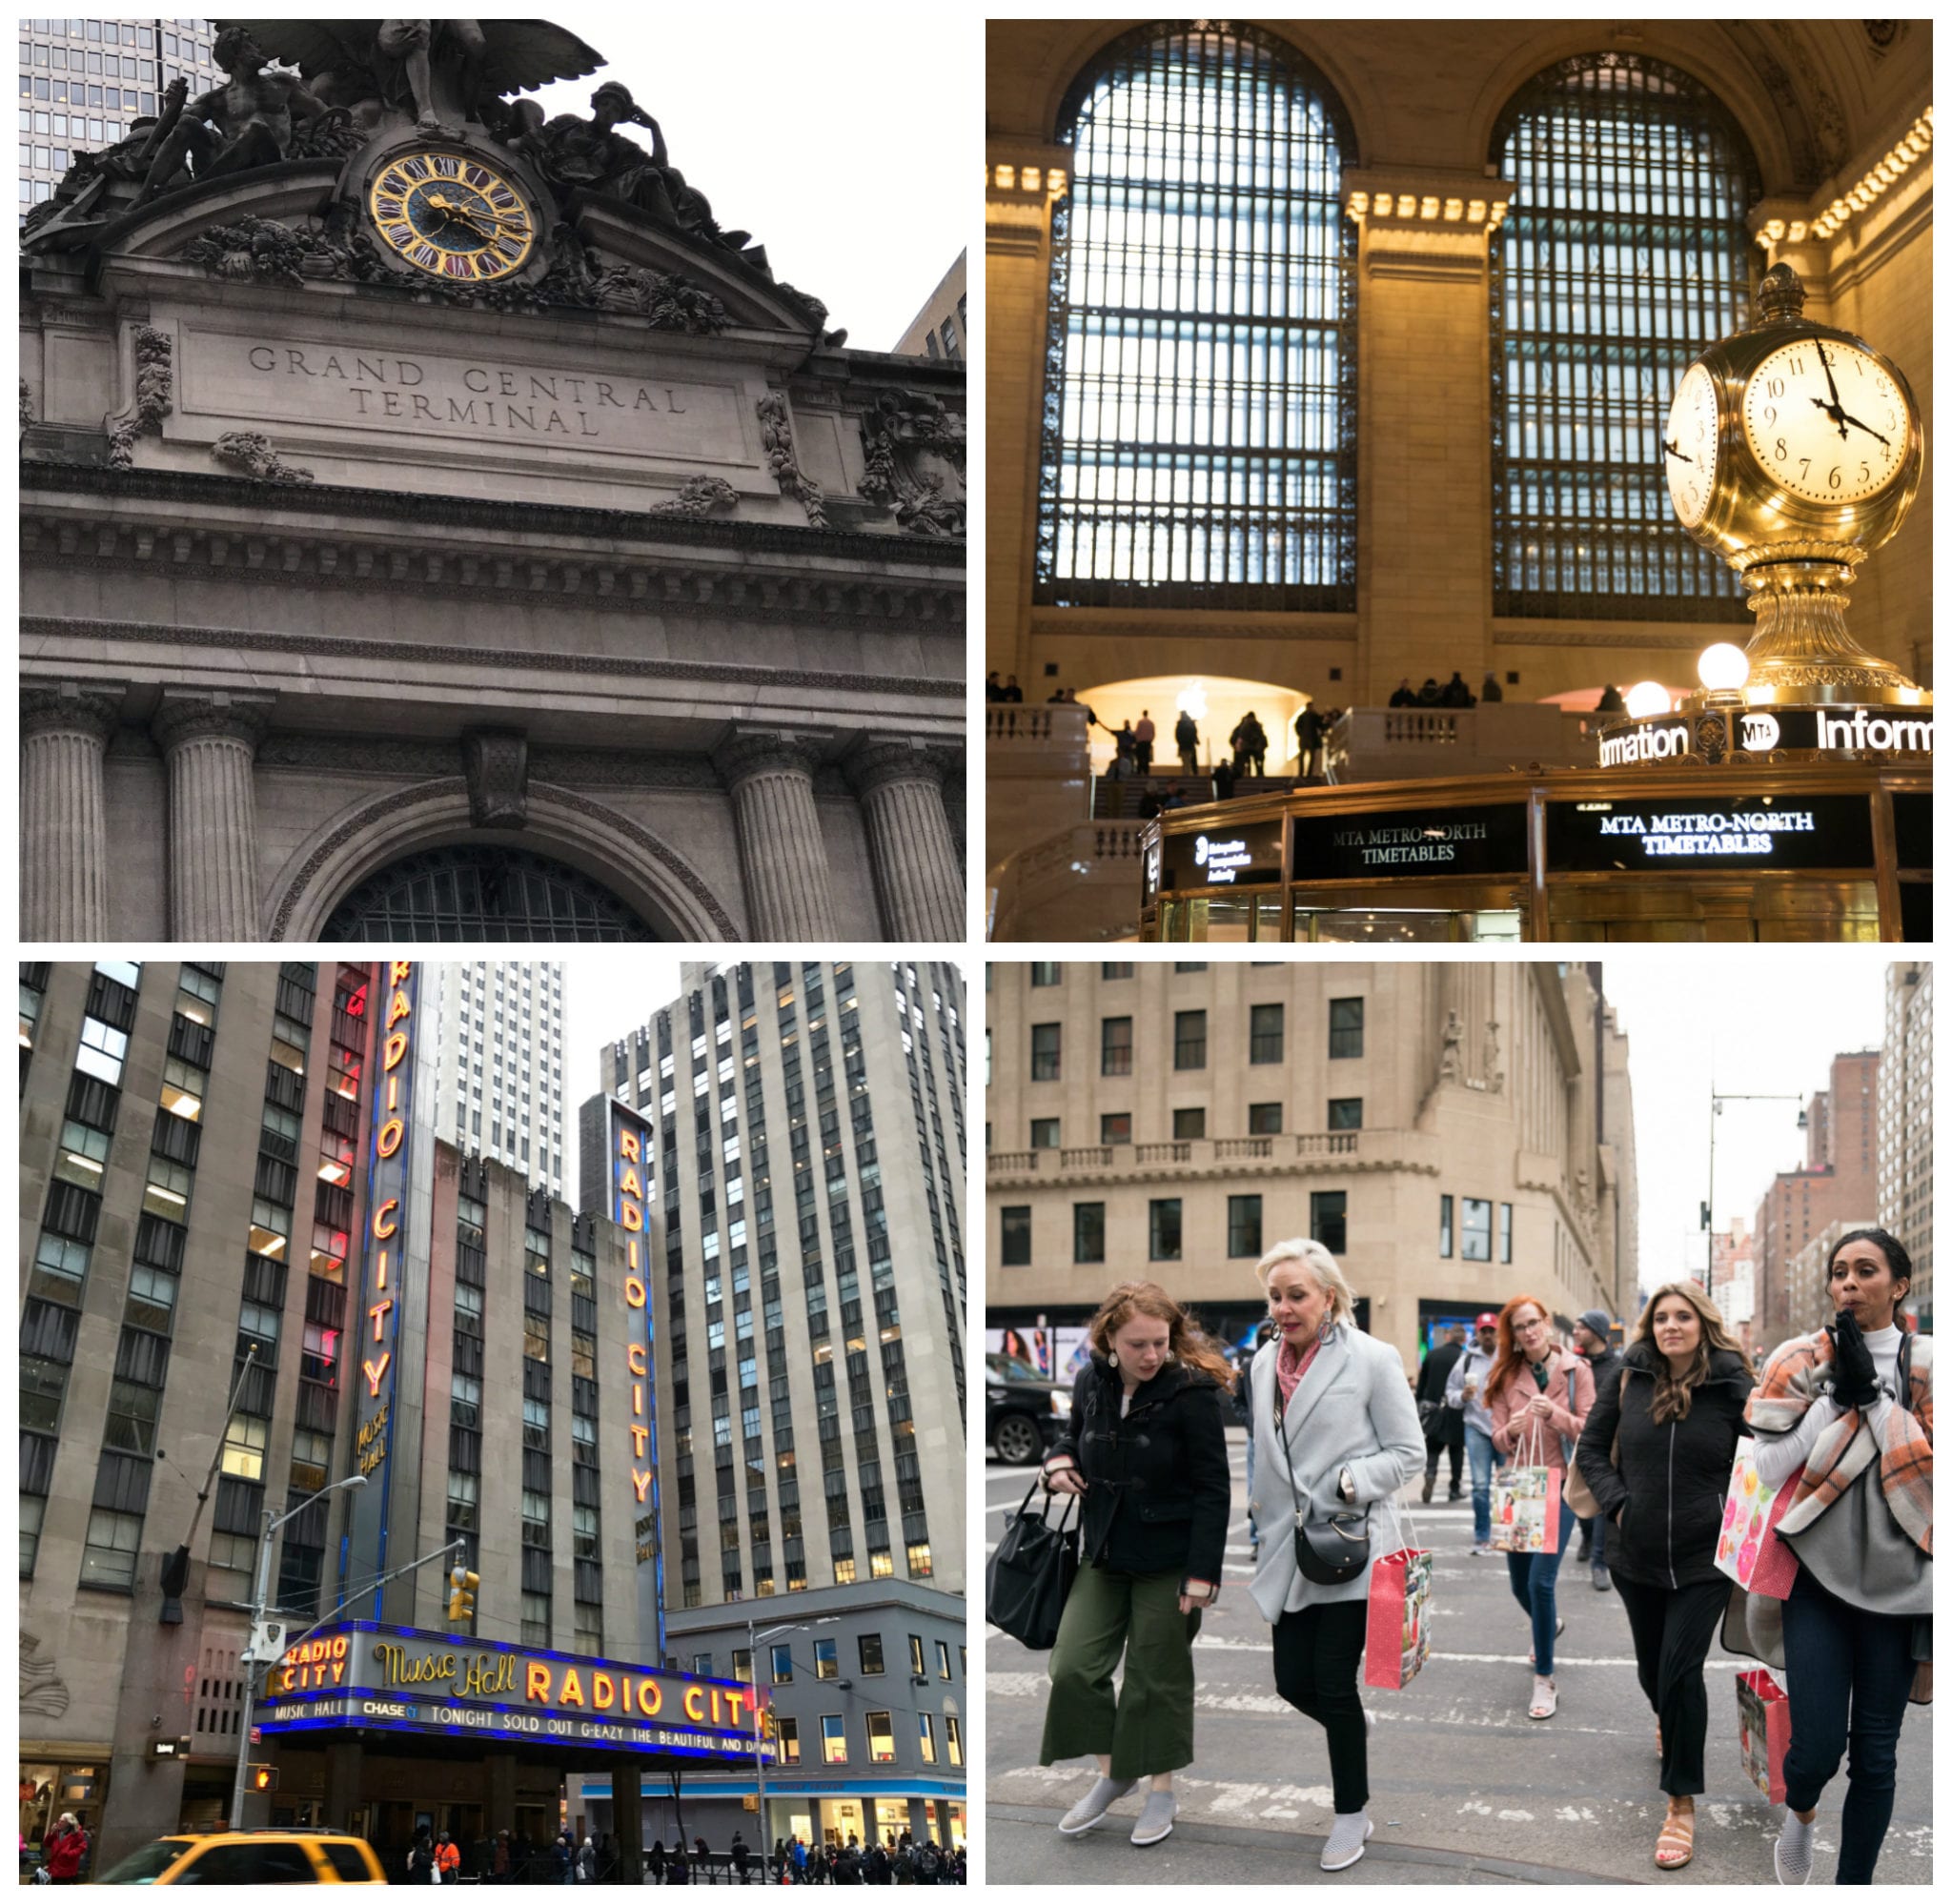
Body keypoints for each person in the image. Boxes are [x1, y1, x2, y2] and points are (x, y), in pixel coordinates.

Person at [1724, 1229, 1930, 1886]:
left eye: (1865, 1270)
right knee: (1814, 1750)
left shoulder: (1928, 1364)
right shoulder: (1798, 1358)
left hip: (1904, 1587)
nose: (1848, 1282)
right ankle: (1802, 1815)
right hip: (1816, 1576)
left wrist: (1882, 1406)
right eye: (1839, 1271)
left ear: (1899, 1285)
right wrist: (1837, 1401)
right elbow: (1768, 1465)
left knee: (1876, 1757)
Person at [1245, 1238, 1421, 1871]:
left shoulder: (1373, 1358)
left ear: (1329, 1298)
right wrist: (1254, 1524)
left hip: (1348, 1545)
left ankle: (1352, 1813)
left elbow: (1409, 1453)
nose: (1285, 1307)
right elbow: (1262, 1454)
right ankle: (1351, 1733)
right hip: (1286, 1548)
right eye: (1276, 1295)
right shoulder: (1262, 1363)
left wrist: (1351, 1483)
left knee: (1331, 1683)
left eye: (1297, 1295)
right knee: (1292, 1682)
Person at [1038, 1281, 1232, 1848]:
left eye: (1160, 1343)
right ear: (1109, 1341)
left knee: (1155, 1679)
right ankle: (1114, 1774)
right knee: (1073, 1668)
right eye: (1137, 1344)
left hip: (1169, 1561)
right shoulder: (1089, 1381)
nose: (1151, 1356)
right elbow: (1068, 1438)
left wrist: (1202, 1575)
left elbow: (1213, 1487)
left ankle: (1161, 1792)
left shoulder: (1191, 1391)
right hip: (1103, 1552)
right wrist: (1056, 1463)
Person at [1576, 1282, 1756, 1869]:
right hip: (1637, 1557)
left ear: (1703, 1323)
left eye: (1682, 1316)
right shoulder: (1629, 1378)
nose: (1669, 1325)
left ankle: (1681, 1802)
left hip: (1706, 1561)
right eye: (1660, 1317)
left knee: (1681, 1672)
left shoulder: (1733, 1384)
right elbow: (1593, 1449)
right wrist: (1620, 1504)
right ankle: (1668, 1722)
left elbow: (1762, 1461)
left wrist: (1727, 1512)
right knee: (1653, 1673)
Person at [1487, 1296, 1593, 1721]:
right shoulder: (1505, 1375)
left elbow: (1590, 1427)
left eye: (1534, 1323)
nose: (1528, 1332)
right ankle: (1548, 1625)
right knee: (1519, 1586)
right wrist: (1507, 1431)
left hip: (1560, 1485)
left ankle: (1545, 1679)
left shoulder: (1575, 1370)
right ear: (1512, 1334)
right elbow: (1495, 1434)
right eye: (1520, 1327)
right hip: (1518, 1487)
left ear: (1547, 1325)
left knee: (1541, 1583)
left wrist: (1558, 1415)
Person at [1444, 1312, 1507, 1552]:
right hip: (1477, 1428)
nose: (1488, 1335)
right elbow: (1450, 1392)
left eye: (1492, 1330)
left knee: (1506, 1485)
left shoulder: (1508, 1357)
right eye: (1484, 1331)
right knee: (1480, 1486)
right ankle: (1482, 1535)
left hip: (1504, 1428)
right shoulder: (1466, 1361)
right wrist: (1462, 1396)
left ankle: (1504, 1534)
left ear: (1498, 1333)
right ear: (1478, 1334)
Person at [1572, 1309, 1622, 1589]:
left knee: (1604, 1503)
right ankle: (1588, 1537)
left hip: (1607, 1447)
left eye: (1582, 1327)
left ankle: (1599, 1562)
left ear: (1597, 1331)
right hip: (1577, 1442)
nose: (1576, 1331)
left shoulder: (1616, 1366)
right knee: (1577, 1499)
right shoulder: (1574, 1364)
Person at [1416, 1323, 1467, 1504]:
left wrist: (1419, 1406)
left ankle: (1430, 1475)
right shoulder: (1464, 1358)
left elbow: (1422, 1385)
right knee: (1456, 1450)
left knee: (1433, 1448)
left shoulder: (1432, 1355)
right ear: (1464, 1339)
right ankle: (1454, 1488)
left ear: (1447, 1337)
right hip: (1455, 1411)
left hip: (1433, 1410)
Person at [42, 1814, 87, 1885]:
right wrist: (51, 1833)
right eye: (59, 1820)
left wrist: (68, 1853)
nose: (59, 1823)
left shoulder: (77, 1834)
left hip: (66, 1868)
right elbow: (47, 1844)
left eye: (62, 1821)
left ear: (69, 1823)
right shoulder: (57, 1832)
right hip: (55, 1867)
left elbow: (82, 1847)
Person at [1294, 700, 1325, 780]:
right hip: (1305, 739)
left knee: (1311, 757)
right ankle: (1301, 773)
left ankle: (1308, 774)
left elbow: (1320, 725)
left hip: (1311, 739)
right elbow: (1297, 726)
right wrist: (1300, 734)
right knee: (1302, 756)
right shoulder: (1302, 716)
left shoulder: (1313, 716)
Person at [1174, 708, 1199, 776]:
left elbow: (1177, 735)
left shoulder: (1180, 724)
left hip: (1182, 745)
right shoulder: (1191, 724)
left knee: (1184, 760)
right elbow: (1194, 733)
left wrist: (1179, 742)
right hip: (1190, 745)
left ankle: (1186, 773)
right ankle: (1189, 772)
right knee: (1189, 759)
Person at [1133, 709, 1155, 774]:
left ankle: (1139, 771)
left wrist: (1133, 735)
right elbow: (1153, 733)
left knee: (1140, 758)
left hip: (1140, 743)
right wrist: (1150, 740)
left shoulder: (1140, 722)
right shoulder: (1151, 722)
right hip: (1148, 743)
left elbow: (1137, 732)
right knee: (1146, 758)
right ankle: (1146, 772)